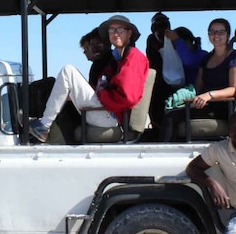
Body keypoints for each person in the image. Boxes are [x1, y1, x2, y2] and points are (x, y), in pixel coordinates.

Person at [28, 15, 149, 143]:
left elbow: (127, 97)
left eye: (119, 29)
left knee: (68, 71)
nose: (115, 33)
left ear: (129, 33)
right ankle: (39, 122)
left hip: (110, 115)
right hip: (105, 111)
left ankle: (43, 125)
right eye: (111, 30)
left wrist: (101, 95)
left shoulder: (133, 57)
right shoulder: (116, 60)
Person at [161, 19, 236, 141]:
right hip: (204, 104)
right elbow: (198, 87)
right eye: (212, 32)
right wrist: (183, 94)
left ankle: (165, 153)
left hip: (223, 106)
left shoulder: (235, 58)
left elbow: (234, 89)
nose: (216, 36)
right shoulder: (206, 58)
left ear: (228, 35)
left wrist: (209, 95)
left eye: (220, 32)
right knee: (171, 113)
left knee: (172, 117)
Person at [147, 12, 207, 129]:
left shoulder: (202, 55)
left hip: (198, 96)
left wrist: (177, 40)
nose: (176, 48)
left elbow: (189, 61)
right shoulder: (176, 59)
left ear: (188, 42)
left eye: (179, 44)